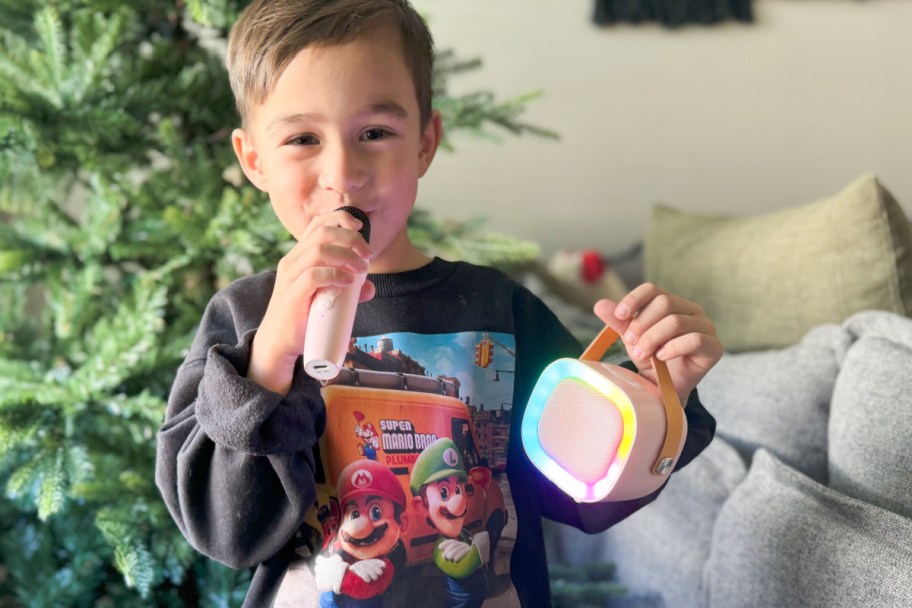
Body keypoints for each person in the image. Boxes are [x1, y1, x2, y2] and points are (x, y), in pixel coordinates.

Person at [154, 1, 724, 606]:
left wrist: (668, 398)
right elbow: (224, 530)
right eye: (302, 139)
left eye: (375, 133)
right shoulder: (241, 319)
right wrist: (270, 357)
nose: (343, 173)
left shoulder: (498, 310)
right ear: (254, 161)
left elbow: (579, 498)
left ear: (426, 141)